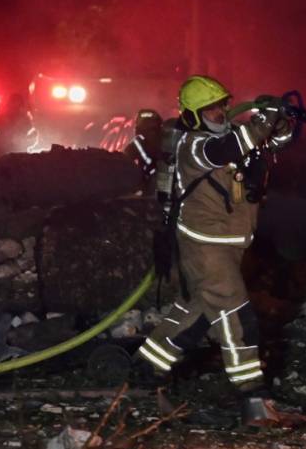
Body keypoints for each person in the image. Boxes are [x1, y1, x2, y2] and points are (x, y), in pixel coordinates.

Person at [134, 75, 294, 426]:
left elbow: (275, 144)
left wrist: (280, 122)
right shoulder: (194, 145)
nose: (221, 112)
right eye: (212, 108)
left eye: (223, 104)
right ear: (193, 114)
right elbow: (227, 149)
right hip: (204, 245)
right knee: (237, 318)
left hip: (228, 243)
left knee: (197, 313)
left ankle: (146, 370)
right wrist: (262, 121)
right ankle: (253, 397)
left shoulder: (230, 136)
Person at [123, 108, 163, 195]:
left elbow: (124, 162)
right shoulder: (168, 138)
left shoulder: (137, 142)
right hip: (166, 181)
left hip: (150, 184)